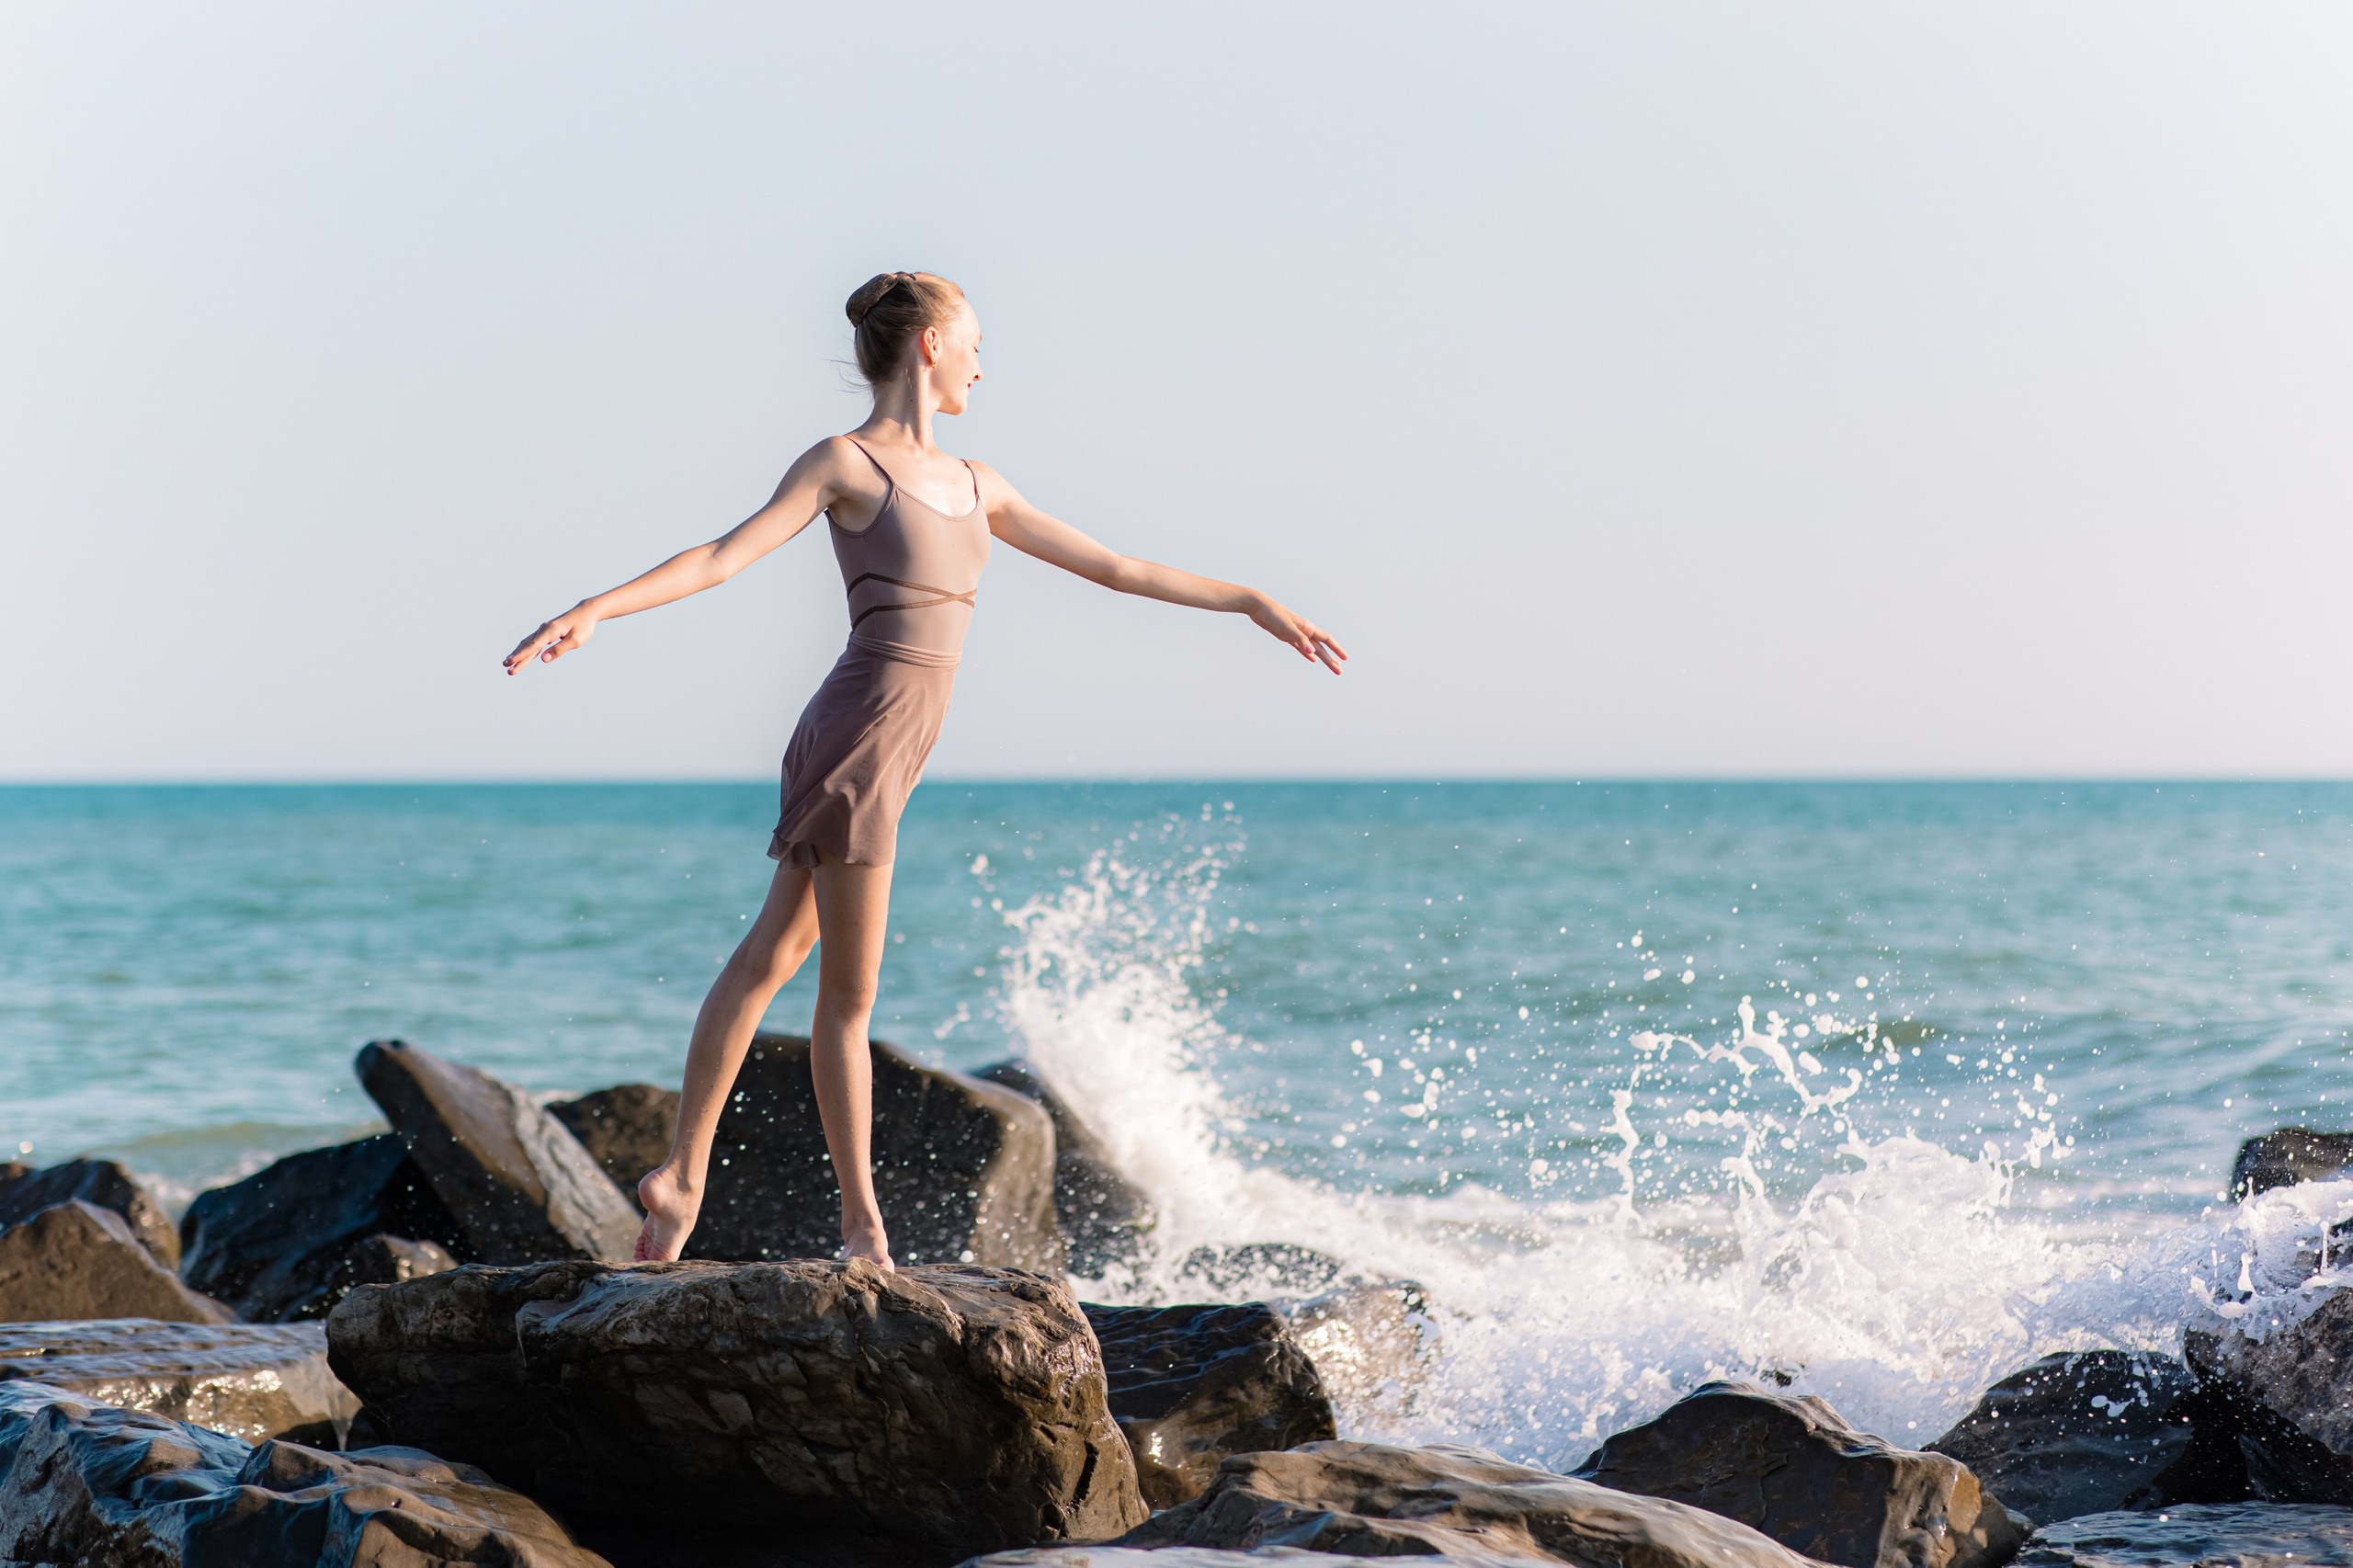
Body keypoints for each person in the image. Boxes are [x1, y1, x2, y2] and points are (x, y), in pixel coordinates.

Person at [502, 271, 1346, 1269]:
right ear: (931, 346)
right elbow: (723, 555)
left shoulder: (982, 485)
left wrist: (1247, 598)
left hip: (891, 740)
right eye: (977, 343)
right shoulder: (845, 463)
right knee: (842, 995)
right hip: (859, 729)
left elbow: (1117, 567)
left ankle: (684, 1178)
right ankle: (858, 1229)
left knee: (774, 954)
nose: (986, 363)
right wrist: (597, 606)